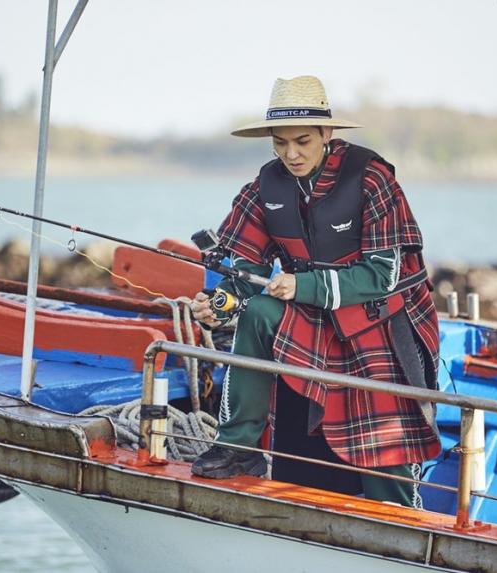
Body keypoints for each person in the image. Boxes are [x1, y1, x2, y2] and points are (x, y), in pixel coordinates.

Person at [188, 75, 441, 508]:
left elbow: (384, 275)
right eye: (280, 142)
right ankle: (238, 448)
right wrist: (220, 304)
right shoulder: (266, 186)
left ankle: (400, 520)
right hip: (312, 316)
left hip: (379, 322)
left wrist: (302, 284)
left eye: (303, 140)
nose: (291, 153)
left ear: (327, 133)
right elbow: (243, 267)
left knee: (387, 445)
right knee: (259, 311)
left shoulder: (373, 178)